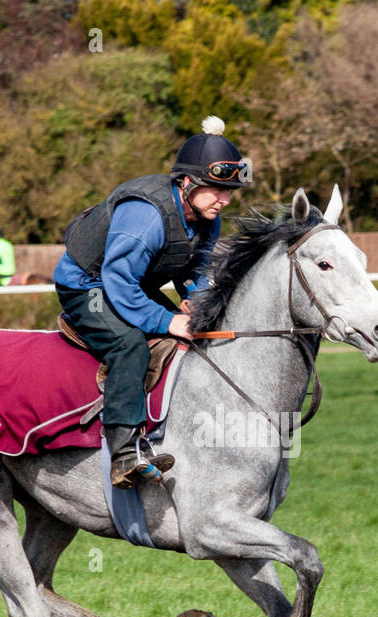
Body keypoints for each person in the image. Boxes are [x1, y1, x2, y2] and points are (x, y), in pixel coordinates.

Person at [54, 115, 248, 488]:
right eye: (215, 190)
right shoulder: (146, 215)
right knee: (129, 345)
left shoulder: (208, 216)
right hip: (89, 285)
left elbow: (197, 267)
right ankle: (123, 457)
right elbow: (119, 280)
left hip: (132, 282)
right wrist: (167, 320)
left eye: (229, 193)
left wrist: (195, 300)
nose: (223, 200)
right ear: (187, 182)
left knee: (197, 333)